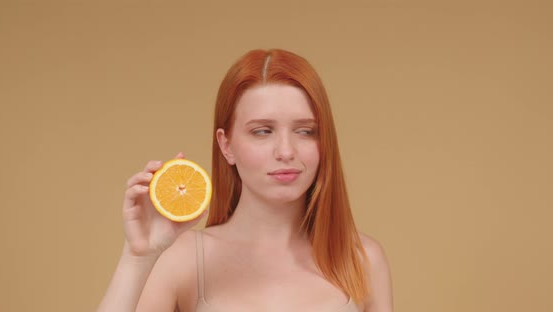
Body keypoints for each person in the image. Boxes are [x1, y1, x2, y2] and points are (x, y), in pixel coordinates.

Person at [97, 49, 393, 312]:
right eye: (262, 131)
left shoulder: (363, 259)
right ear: (226, 145)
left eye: (305, 131)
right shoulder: (183, 258)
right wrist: (137, 258)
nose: (286, 151)